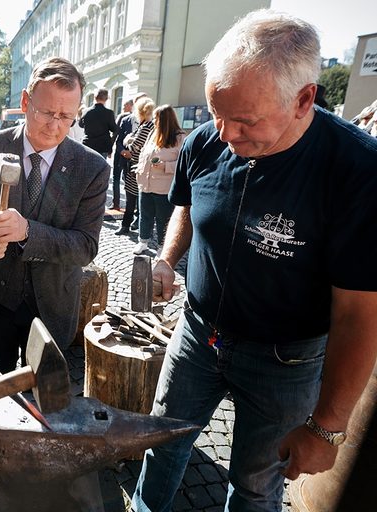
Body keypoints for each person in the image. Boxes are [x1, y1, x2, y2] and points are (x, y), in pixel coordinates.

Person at [132, 10, 377, 512]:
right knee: (160, 444)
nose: (225, 135)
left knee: (255, 484)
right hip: (198, 334)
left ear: (304, 99)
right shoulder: (205, 140)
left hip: (285, 361)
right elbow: (186, 203)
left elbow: (359, 313)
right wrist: (166, 257)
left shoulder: (358, 170)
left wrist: (327, 428)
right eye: (217, 114)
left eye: (245, 121)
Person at [0, 57, 110, 376]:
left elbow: (85, 247)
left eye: (66, 116)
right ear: (25, 101)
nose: (54, 125)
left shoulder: (91, 168)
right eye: (46, 112)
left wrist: (27, 231)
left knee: (44, 396)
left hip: (52, 305)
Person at [132, 105, 184, 255]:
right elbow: (145, 154)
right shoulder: (153, 134)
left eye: (156, 118)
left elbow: (183, 164)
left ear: (164, 120)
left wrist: (164, 166)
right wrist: (140, 167)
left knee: (163, 219)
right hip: (146, 184)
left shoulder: (179, 137)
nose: (153, 121)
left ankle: (163, 246)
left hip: (163, 187)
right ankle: (143, 242)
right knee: (144, 215)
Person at [117, 97, 155, 235]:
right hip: (139, 167)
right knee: (137, 200)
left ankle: (127, 225)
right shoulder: (148, 125)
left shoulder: (146, 126)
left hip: (136, 168)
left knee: (132, 199)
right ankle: (134, 225)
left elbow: (132, 148)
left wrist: (128, 143)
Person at [79, 88, 117, 157]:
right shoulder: (109, 113)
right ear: (106, 99)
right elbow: (114, 129)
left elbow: (81, 125)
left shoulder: (86, 111)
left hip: (88, 144)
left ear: (95, 97)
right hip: (103, 146)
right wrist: (111, 143)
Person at [110, 98, 134, 210]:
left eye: (125, 105)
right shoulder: (123, 117)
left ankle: (128, 205)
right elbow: (116, 135)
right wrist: (116, 149)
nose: (123, 107)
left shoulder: (140, 120)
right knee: (116, 178)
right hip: (120, 152)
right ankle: (116, 203)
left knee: (126, 179)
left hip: (131, 155)